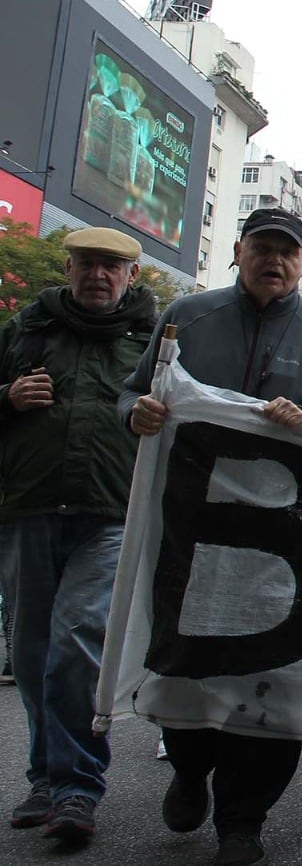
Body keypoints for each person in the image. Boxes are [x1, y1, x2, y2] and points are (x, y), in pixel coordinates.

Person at [122, 209, 302, 866]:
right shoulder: (189, 316)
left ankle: (244, 820)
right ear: (237, 252)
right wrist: (141, 412)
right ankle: (188, 766)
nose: (274, 260)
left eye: (287, 252)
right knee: (186, 670)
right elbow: (131, 395)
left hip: (285, 550)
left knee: (275, 685)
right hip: (192, 541)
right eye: (262, 247)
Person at [0, 227, 157, 846]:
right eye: (87, 264)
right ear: (68, 267)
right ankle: (46, 777)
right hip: (29, 510)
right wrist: (7, 397)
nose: (98, 275)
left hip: (111, 515)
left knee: (74, 645)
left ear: (130, 277)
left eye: (111, 267)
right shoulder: (24, 331)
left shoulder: (156, 342)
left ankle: (76, 789)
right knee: (33, 654)